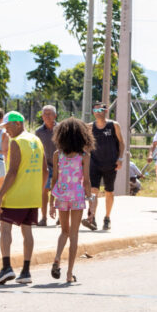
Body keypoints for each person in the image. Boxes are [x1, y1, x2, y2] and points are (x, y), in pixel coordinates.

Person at [0, 111, 46, 285]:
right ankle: (26, 271)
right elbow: (45, 170)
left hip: (16, 195)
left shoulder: (16, 142)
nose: (6, 131)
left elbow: (13, 171)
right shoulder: (36, 140)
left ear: (17, 124)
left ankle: (6, 267)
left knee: (5, 229)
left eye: (8, 127)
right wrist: (38, 189)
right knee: (27, 231)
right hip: (32, 195)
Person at [48, 117, 93, 284]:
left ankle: (57, 257)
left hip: (61, 196)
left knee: (63, 232)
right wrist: (91, 201)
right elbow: (87, 180)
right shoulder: (83, 156)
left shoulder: (57, 155)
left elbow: (54, 180)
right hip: (77, 196)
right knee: (74, 235)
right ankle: (69, 274)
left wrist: (50, 203)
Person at [84, 104, 123, 231]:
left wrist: (120, 159)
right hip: (94, 163)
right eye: (95, 110)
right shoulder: (90, 127)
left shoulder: (113, 125)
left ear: (106, 111)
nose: (97, 112)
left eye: (100, 110)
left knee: (109, 192)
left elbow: (121, 143)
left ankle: (107, 218)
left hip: (110, 163)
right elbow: (86, 145)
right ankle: (92, 217)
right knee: (93, 191)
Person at [34, 105, 58, 227]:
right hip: (45, 166)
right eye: (44, 114)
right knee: (44, 191)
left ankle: (61, 216)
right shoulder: (38, 132)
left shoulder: (61, 129)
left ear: (55, 116)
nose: (46, 116)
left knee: (61, 191)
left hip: (61, 165)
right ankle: (43, 218)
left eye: (49, 114)